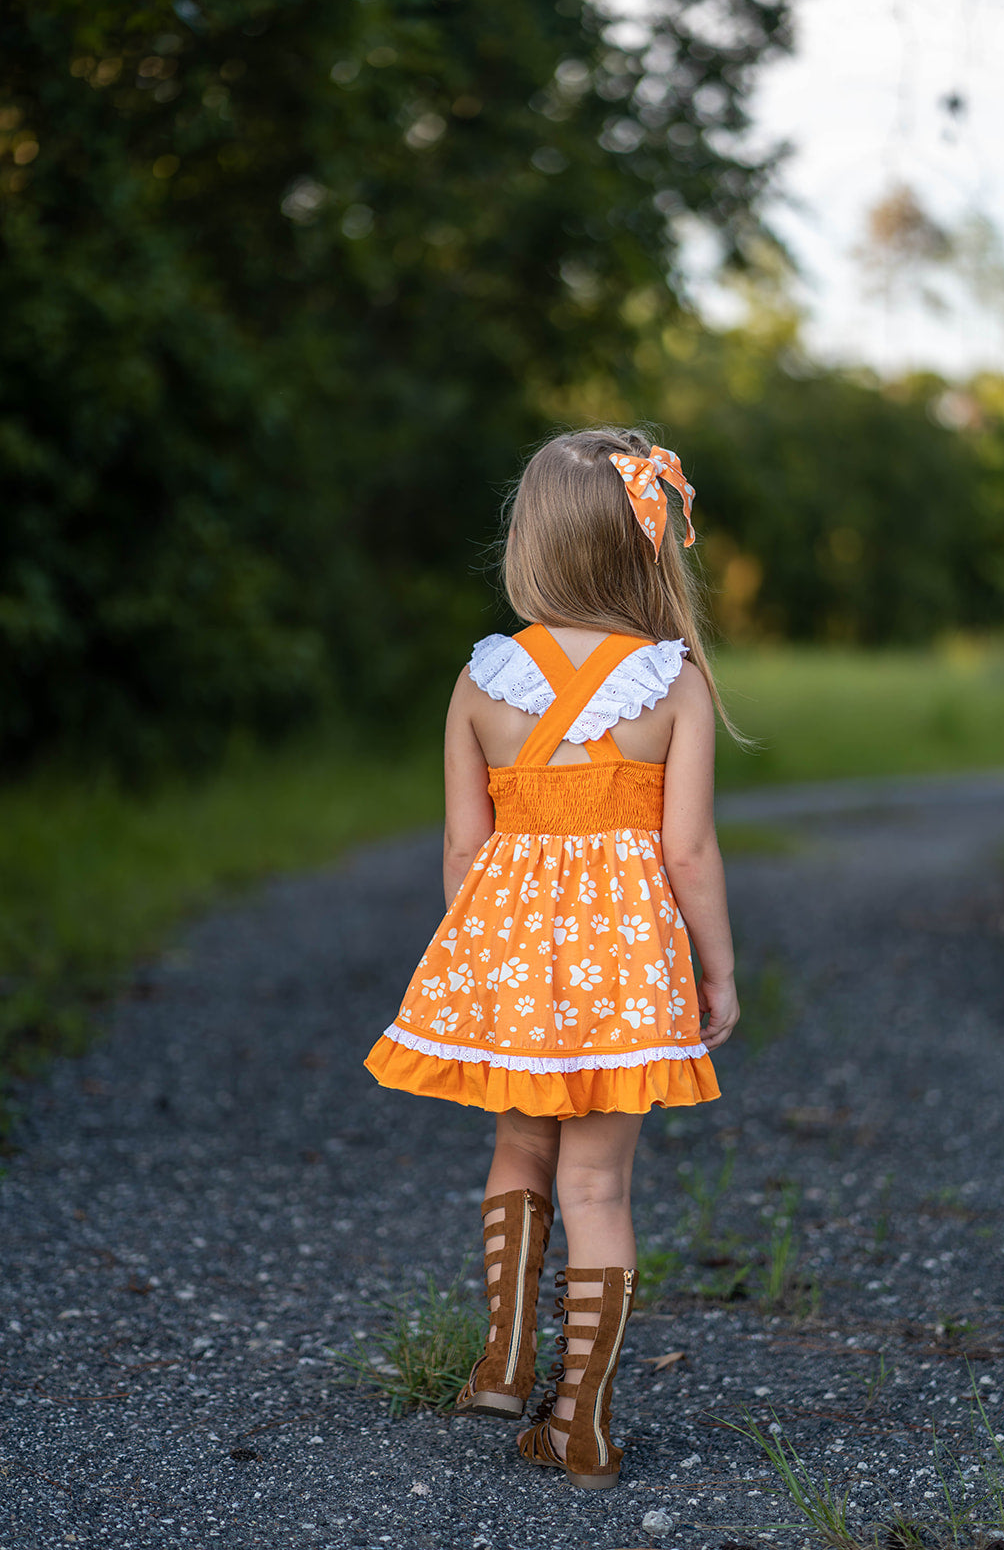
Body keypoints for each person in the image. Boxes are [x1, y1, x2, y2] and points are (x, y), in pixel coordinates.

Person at [364, 427, 741, 1489]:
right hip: (625, 974)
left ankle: (502, 1360)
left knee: (517, 1143)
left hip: (513, 969)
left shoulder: (483, 679)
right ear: (644, 547)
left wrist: (475, 968)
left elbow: (461, 845)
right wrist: (715, 971)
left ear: (529, 542)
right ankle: (579, 1422)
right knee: (599, 1185)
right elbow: (689, 850)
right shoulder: (670, 684)